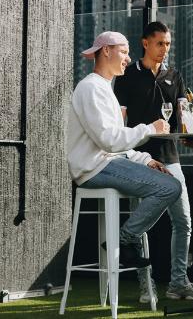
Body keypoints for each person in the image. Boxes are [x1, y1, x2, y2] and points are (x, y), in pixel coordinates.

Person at [65, 31, 182, 282]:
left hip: (106, 162)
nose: (128, 59)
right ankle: (123, 240)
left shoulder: (104, 88)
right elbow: (108, 140)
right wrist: (151, 129)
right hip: (94, 168)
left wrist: (144, 159)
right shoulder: (91, 88)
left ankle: (126, 241)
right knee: (170, 187)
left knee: (169, 184)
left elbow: (114, 139)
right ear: (106, 51)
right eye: (125, 51)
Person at [113, 21, 193, 301]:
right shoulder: (125, 75)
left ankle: (178, 283)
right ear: (145, 43)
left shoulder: (174, 75)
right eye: (160, 43)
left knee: (183, 220)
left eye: (168, 44)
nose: (165, 48)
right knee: (141, 223)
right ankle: (144, 286)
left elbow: (182, 116)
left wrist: (188, 133)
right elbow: (120, 123)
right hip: (139, 159)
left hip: (171, 157)